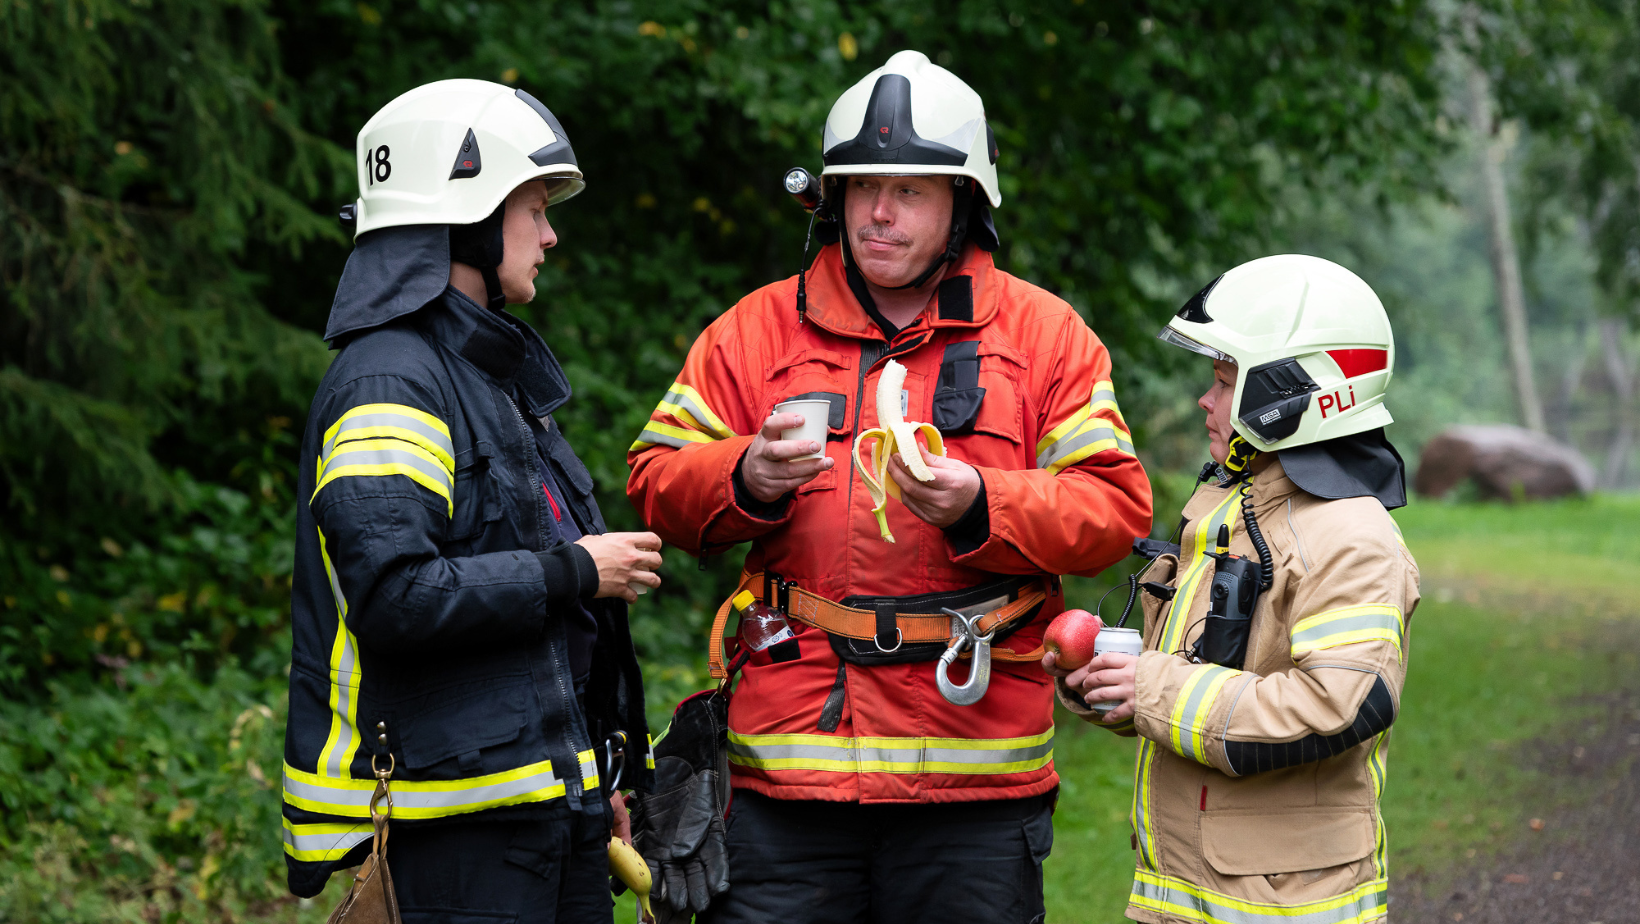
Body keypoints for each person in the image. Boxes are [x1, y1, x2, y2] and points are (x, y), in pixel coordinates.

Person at [626, 51, 1153, 924]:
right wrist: (744, 476)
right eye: (863, 185)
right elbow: (654, 478)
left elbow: (1113, 508)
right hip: (786, 773)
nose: (878, 211)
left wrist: (983, 503)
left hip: (974, 779)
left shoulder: (1047, 336)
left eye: (909, 190)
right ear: (831, 199)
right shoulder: (753, 331)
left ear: (963, 204)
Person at [281, 79, 660, 921]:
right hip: (449, 829)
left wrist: (591, 778)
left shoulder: (483, 375)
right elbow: (394, 595)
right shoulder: (390, 378)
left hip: (539, 812)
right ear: (470, 215)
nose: (551, 234)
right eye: (534, 207)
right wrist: (573, 571)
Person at [1048, 254, 1418, 924]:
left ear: (1289, 394)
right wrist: (1110, 684)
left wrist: (1151, 687)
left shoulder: (1351, 536)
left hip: (1286, 907)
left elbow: (1338, 707)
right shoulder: (1230, 511)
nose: (1205, 401)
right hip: (1186, 896)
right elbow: (1191, 682)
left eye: (1224, 381)